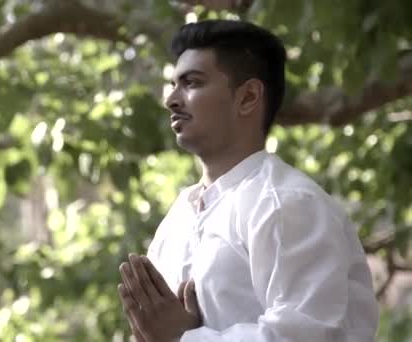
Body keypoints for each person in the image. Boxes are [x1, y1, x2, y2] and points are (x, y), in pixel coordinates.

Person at [117, 19, 379, 342]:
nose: (171, 99)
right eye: (173, 84)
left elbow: (307, 336)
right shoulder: (177, 219)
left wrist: (183, 338)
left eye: (191, 83)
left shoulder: (284, 203)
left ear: (248, 97)